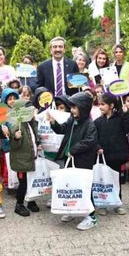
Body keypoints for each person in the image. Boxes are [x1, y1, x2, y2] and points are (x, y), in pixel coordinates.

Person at [48, 92, 99, 231]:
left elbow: (90, 141)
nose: (72, 110)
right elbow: (62, 129)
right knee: (72, 185)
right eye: (71, 107)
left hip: (82, 160)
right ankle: (74, 210)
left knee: (84, 186)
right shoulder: (72, 119)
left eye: (75, 107)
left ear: (83, 108)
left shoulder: (89, 124)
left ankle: (91, 216)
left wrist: (74, 149)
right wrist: (53, 123)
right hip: (69, 159)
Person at [94, 93, 129, 216]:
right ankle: (103, 204)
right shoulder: (97, 122)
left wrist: (127, 113)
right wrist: (98, 147)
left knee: (115, 181)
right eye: (99, 104)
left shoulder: (120, 118)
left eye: (103, 104)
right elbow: (94, 138)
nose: (100, 107)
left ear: (111, 105)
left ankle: (117, 203)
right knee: (103, 181)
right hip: (103, 157)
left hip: (116, 156)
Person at [7, 98, 41, 217]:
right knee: (23, 183)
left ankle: (31, 201)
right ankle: (19, 204)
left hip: (31, 159)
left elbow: (34, 137)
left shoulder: (30, 123)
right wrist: (16, 138)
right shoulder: (16, 125)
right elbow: (13, 146)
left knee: (31, 181)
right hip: (21, 161)